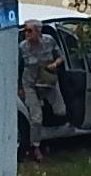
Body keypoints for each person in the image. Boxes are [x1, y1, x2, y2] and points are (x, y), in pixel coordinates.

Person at [20, 21, 69, 156]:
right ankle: (35, 147)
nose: (26, 34)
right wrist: (20, 88)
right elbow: (18, 67)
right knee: (36, 117)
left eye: (30, 31)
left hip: (48, 81)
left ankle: (47, 137)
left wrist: (54, 64)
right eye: (25, 31)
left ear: (38, 31)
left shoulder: (49, 41)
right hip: (30, 84)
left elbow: (61, 57)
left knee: (61, 111)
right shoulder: (22, 47)